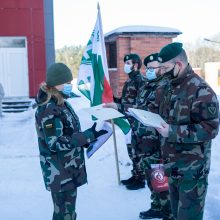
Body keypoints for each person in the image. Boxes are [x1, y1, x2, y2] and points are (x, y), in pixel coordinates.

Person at [35, 63, 107, 220]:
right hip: (59, 172)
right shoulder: (49, 109)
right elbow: (55, 143)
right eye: (67, 83)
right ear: (56, 84)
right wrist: (87, 136)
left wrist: (87, 139)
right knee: (64, 214)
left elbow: (69, 133)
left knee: (69, 213)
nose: (70, 85)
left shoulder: (61, 103)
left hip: (68, 168)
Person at [155, 42, 219, 220]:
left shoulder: (201, 90)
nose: (162, 72)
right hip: (173, 167)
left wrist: (172, 132)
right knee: (176, 215)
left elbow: (210, 129)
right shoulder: (169, 86)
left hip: (192, 172)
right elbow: (155, 109)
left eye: (165, 67)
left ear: (179, 65)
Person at [134, 53, 172, 220]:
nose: (148, 71)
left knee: (161, 180)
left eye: (152, 68)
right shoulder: (146, 86)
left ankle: (168, 212)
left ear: (161, 69)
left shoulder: (165, 87)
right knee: (152, 179)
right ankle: (156, 206)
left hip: (158, 143)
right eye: (147, 68)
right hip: (144, 143)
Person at [106, 53, 147, 190]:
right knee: (131, 151)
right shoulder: (130, 81)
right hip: (129, 122)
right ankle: (135, 175)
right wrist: (113, 100)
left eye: (128, 63)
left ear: (135, 65)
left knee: (137, 151)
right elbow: (127, 101)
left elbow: (140, 106)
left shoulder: (140, 81)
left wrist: (119, 106)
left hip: (138, 123)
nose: (126, 65)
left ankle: (141, 179)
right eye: (126, 63)